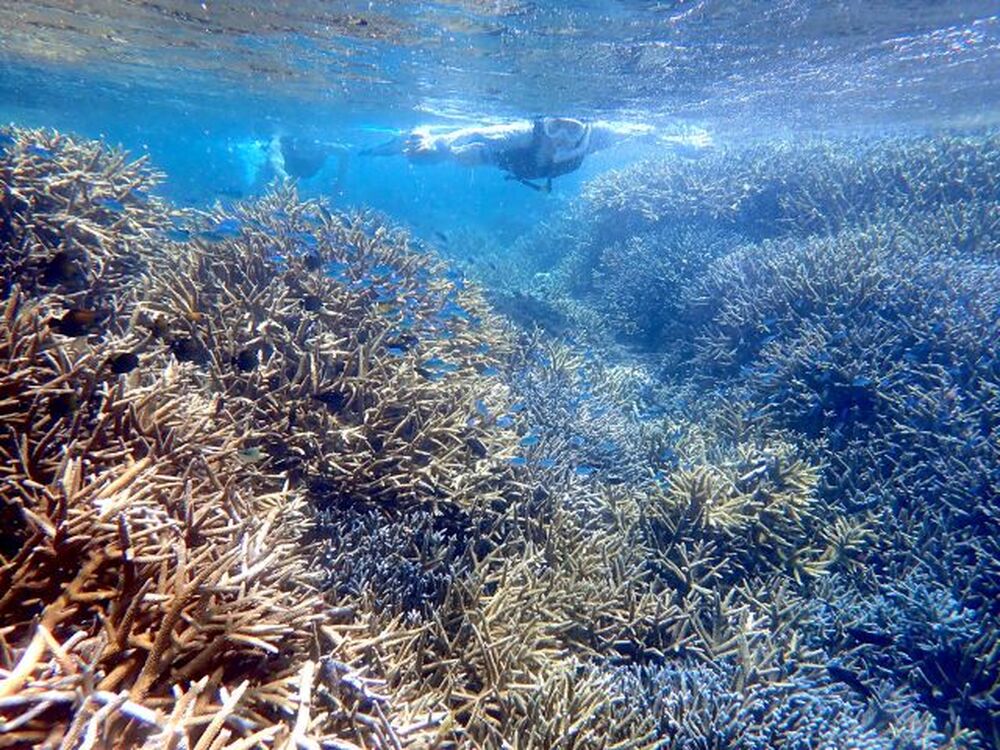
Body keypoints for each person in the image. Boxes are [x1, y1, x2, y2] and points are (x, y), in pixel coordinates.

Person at [360, 116, 711, 191]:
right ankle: (399, 140)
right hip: (490, 154)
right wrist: (437, 145)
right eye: (557, 127)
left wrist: (681, 144)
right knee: (429, 156)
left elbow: (644, 132)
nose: (561, 138)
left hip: (518, 167)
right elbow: (476, 134)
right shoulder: (525, 134)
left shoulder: (597, 138)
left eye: (572, 130)